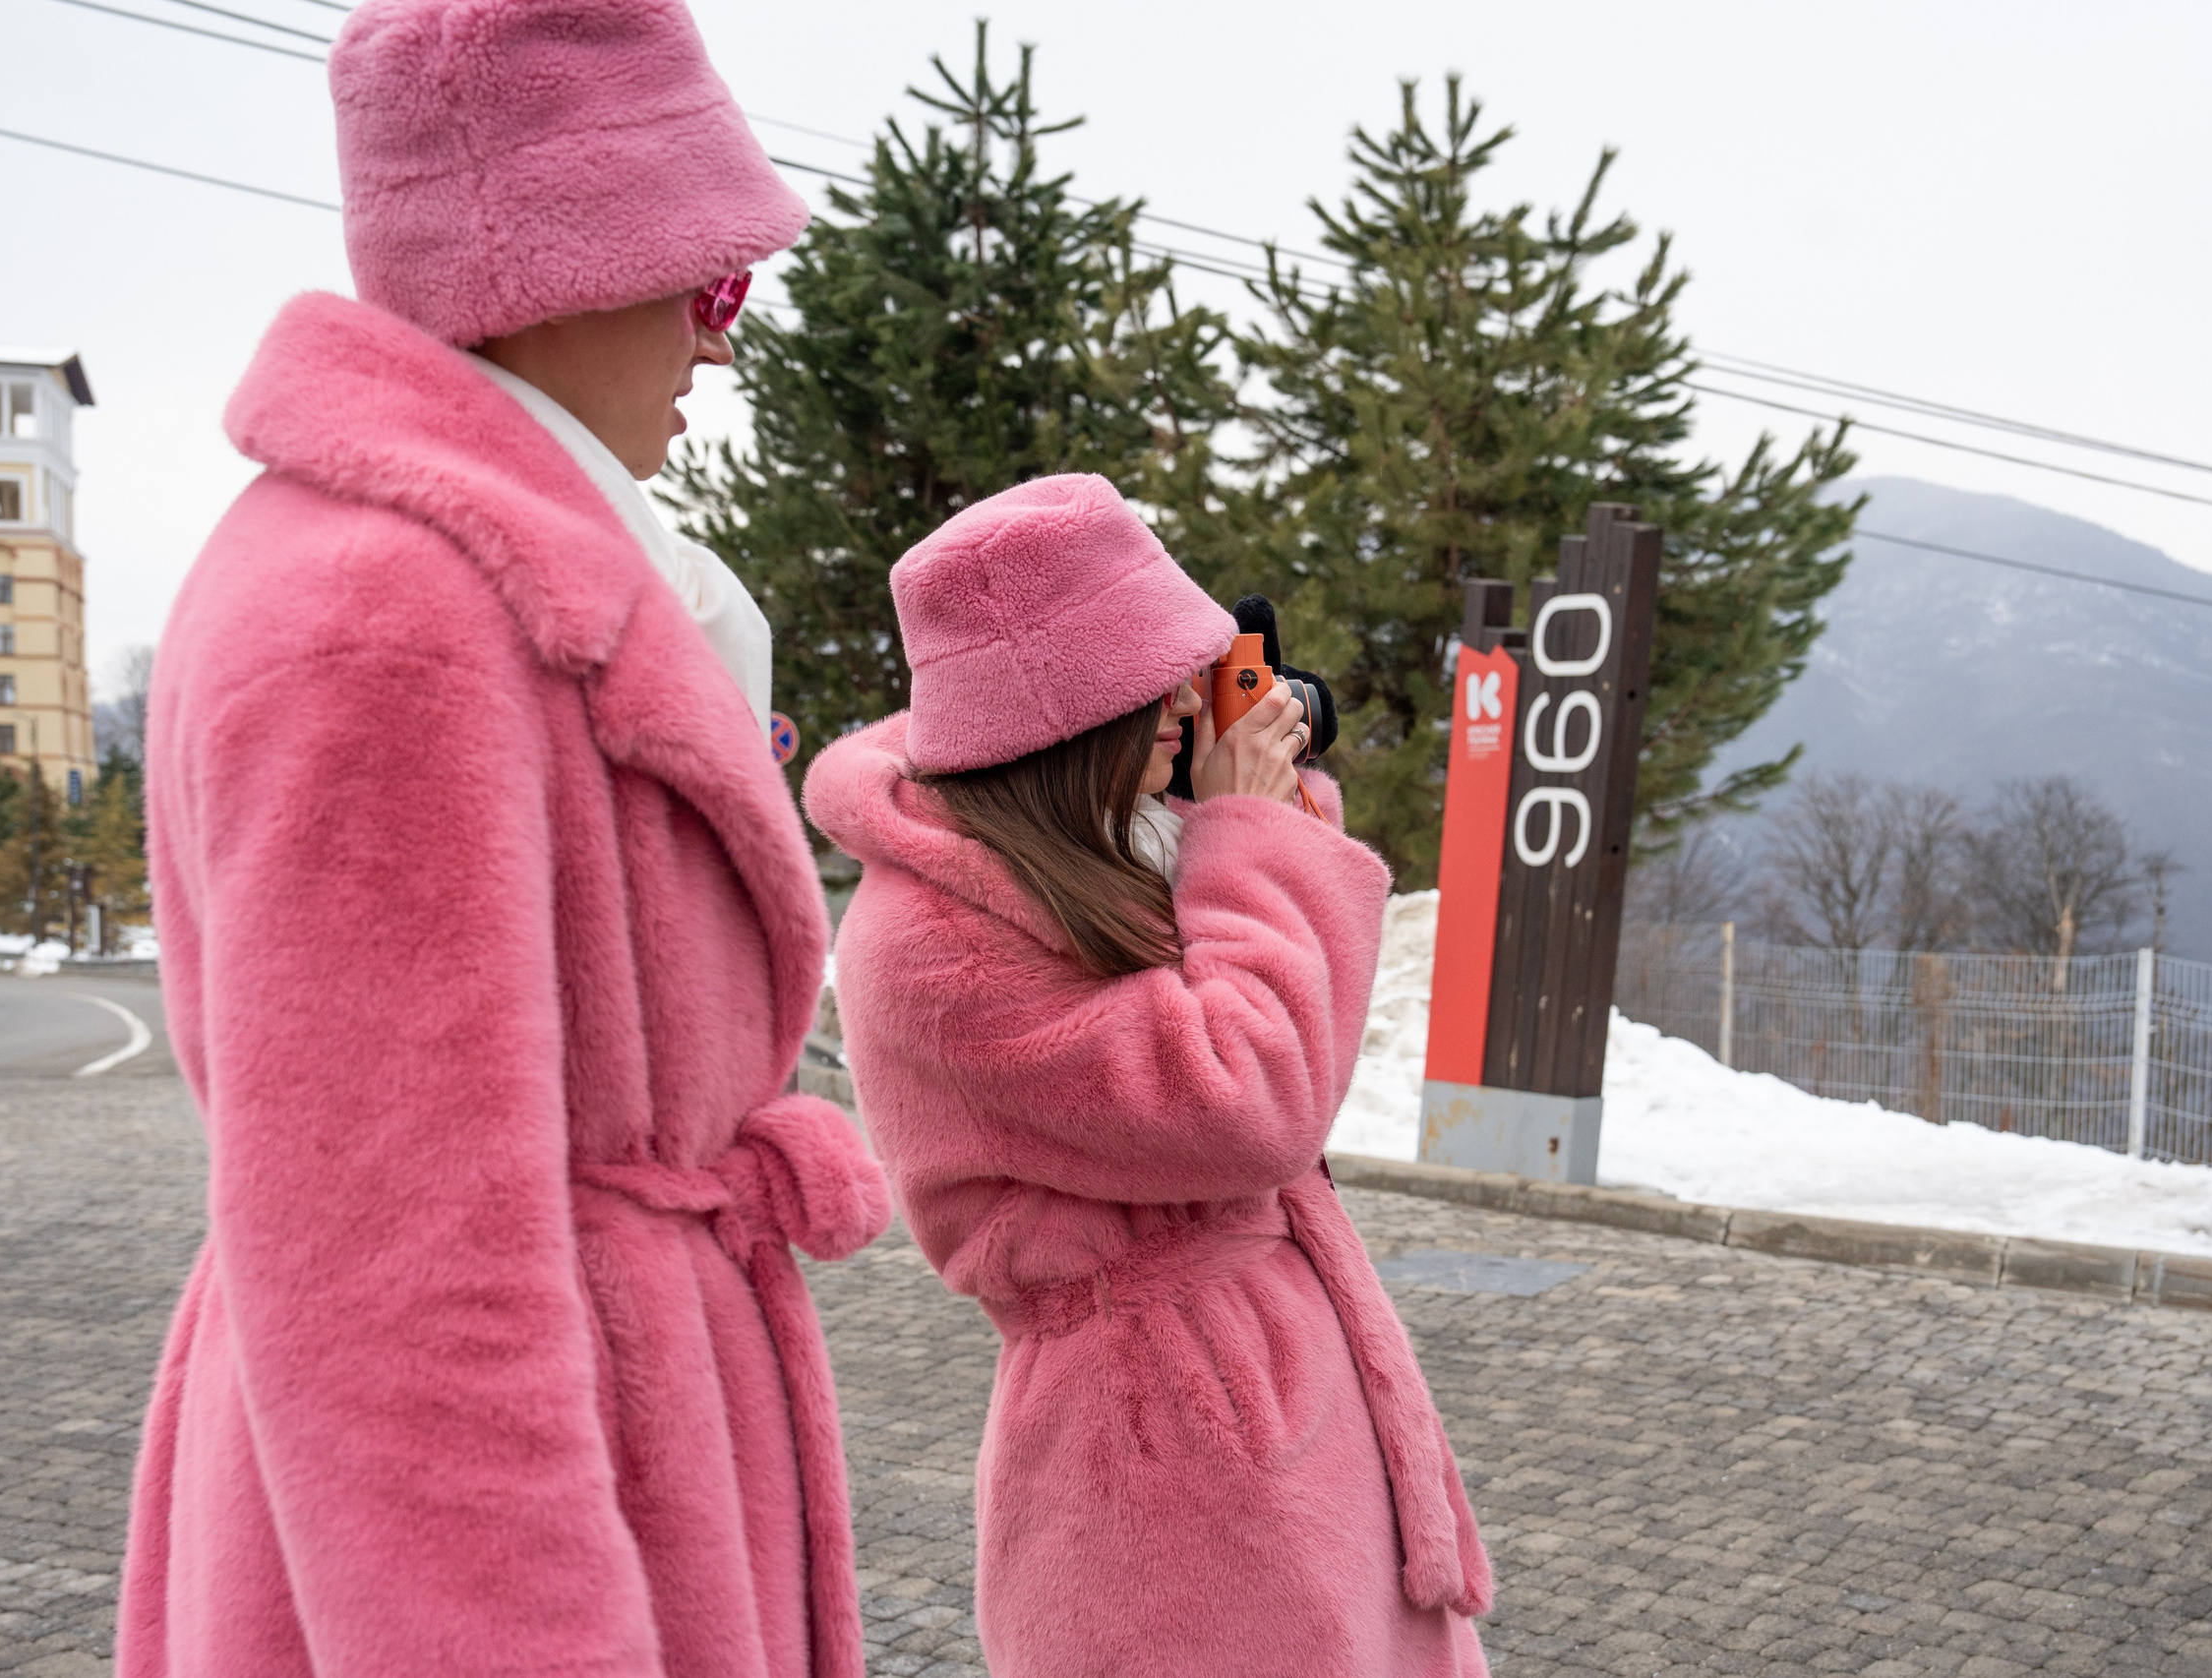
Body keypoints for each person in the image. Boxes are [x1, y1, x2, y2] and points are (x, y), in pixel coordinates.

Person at [117, 2, 888, 1674]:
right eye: (708, 285)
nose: (718, 348)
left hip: (632, 1433)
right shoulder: (385, 615)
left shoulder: (452, 574)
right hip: (538, 1504)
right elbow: (402, 1287)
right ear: (565, 267)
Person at [803, 474, 1493, 1677]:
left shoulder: (1094, 847)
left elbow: (1268, 996)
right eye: (1156, 676)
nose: (1187, 698)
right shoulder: (938, 942)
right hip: (1159, 1457)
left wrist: (1253, 807)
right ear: (1071, 705)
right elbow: (1252, 1094)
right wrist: (1255, 831)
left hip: (1258, 1413)